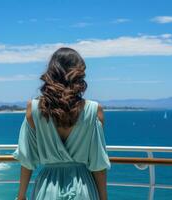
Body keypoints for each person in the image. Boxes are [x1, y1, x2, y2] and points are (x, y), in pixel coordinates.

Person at [12, 47, 111, 200]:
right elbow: (98, 165)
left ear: (51, 73)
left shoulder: (34, 109)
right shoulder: (94, 111)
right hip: (83, 189)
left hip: (47, 189)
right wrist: (104, 198)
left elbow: (27, 159)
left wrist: (21, 196)